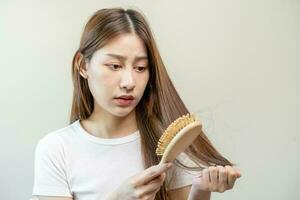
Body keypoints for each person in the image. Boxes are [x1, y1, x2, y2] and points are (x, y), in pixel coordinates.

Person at [32, 7, 242, 200]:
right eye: (114, 65)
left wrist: (201, 190)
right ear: (83, 65)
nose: (129, 83)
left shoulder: (171, 145)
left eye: (140, 68)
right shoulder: (56, 150)